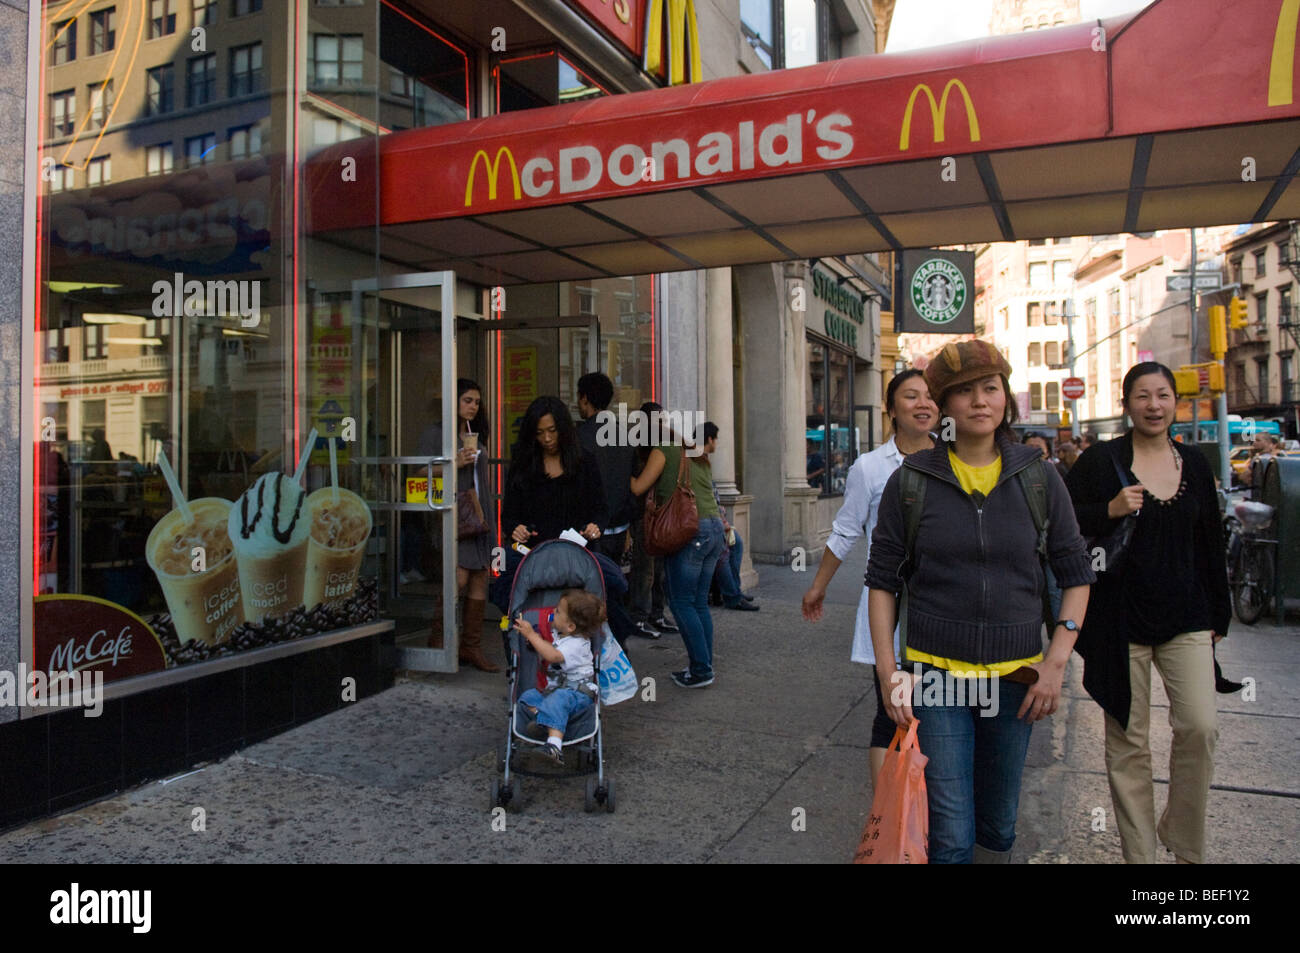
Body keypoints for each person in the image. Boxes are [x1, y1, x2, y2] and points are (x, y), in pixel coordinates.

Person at [866, 340, 1095, 864]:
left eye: (989, 388)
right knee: (949, 831)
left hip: (1017, 680)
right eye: (963, 392)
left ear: (1005, 397)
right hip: (935, 677)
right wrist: (888, 674)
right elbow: (882, 583)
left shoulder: (1038, 475)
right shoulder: (913, 480)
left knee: (998, 824)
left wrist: (1056, 663)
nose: (978, 400)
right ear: (944, 406)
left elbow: (1077, 573)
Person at [1065, 362, 1230, 864]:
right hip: (1120, 621)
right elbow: (1063, 526)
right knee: (1129, 741)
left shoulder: (1196, 464)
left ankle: (1184, 841)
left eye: (1162, 395)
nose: (1153, 405)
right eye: (1142, 396)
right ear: (1126, 403)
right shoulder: (1100, 461)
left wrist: (1218, 619)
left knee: (1200, 727)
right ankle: (1141, 861)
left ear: (1174, 403)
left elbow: (1210, 545)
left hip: (1187, 618)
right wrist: (1109, 509)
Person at [802, 369, 937, 783]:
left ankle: (928, 812)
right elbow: (845, 530)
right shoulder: (871, 467)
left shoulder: (955, 459)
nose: (923, 404)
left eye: (930, 396)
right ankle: (887, 822)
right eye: (911, 396)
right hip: (890, 606)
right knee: (892, 710)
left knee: (939, 714)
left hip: (946, 606)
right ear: (891, 409)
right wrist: (818, 587)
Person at [492, 396, 635, 647]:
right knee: (501, 583)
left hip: (578, 552)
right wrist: (516, 529)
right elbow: (510, 515)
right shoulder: (524, 464)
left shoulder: (584, 461)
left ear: (563, 429)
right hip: (533, 553)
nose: (547, 439)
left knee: (614, 586)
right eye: (539, 433)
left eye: (552, 431)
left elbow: (600, 509)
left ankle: (609, 651)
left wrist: (595, 527)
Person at [630, 421, 724, 688]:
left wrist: (618, 471)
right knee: (698, 603)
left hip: (690, 531)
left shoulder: (664, 450)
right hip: (713, 530)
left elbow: (638, 487)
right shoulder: (693, 450)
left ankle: (701, 670)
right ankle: (703, 664)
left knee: (681, 602)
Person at [416, 379, 496, 669]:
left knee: (479, 579)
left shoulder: (473, 433)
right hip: (452, 511)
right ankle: (438, 643)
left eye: (476, 401)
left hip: (477, 511)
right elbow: (418, 471)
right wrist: (454, 463)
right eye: (467, 400)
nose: (473, 406)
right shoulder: (436, 433)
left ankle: (470, 647)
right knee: (458, 578)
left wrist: (487, 514)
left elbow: (481, 480)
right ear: (453, 402)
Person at [514, 589, 604, 766]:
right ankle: (544, 719)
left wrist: (531, 635)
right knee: (528, 696)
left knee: (558, 698)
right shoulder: (563, 637)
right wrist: (536, 642)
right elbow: (551, 648)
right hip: (557, 693)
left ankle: (554, 747)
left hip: (576, 695)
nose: (552, 613)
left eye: (557, 611)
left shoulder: (577, 644)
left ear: (571, 626)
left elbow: (554, 656)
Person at [576, 372, 638, 564]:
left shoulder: (578, 437)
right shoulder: (625, 436)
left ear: (585, 399)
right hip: (619, 528)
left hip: (588, 530)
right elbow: (630, 483)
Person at [627, 401, 676, 639]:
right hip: (643, 515)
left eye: (662, 421)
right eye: (657, 421)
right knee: (645, 569)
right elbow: (634, 485)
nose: (661, 425)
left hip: (659, 514)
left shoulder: (661, 446)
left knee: (659, 569)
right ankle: (639, 617)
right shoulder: (637, 449)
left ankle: (656, 614)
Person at [699, 422, 758, 611]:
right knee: (722, 551)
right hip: (707, 520)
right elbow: (703, 496)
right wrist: (720, 519)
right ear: (710, 439)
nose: (717, 443)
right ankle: (732, 595)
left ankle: (734, 590)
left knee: (737, 544)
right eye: (716, 439)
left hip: (714, 517)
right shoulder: (697, 460)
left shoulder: (703, 459)